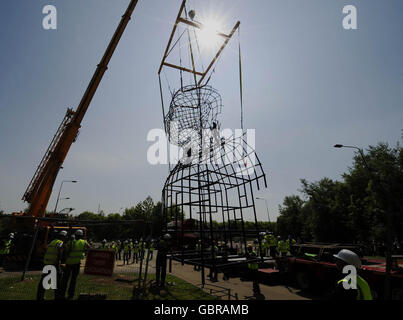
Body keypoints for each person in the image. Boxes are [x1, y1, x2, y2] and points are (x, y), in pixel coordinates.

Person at [60, 229, 90, 300]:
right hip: (77, 264)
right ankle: (70, 295)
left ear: (75, 235)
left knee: (65, 280)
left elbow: (64, 250)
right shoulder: (83, 242)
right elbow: (89, 248)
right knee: (73, 280)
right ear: (82, 236)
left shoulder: (71, 242)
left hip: (69, 263)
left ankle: (62, 294)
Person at [37, 230, 67, 300]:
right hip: (54, 264)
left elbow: (46, 249)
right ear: (63, 237)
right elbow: (60, 252)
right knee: (57, 281)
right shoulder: (60, 243)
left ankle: (40, 296)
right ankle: (58, 297)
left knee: (44, 280)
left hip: (47, 263)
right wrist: (59, 263)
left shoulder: (52, 242)